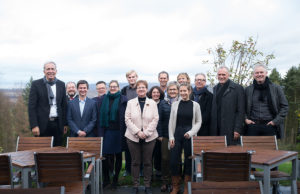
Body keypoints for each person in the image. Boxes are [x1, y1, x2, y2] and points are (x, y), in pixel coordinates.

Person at [125, 80, 159, 194]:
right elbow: (127, 119)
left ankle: (147, 185)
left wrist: (147, 132)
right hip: (132, 137)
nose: (141, 89)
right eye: (139, 87)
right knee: (135, 162)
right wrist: (138, 132)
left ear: (146, 89)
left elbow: (155, 119)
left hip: (149, 137)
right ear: (136, 90)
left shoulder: (152, 103)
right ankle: (135, 185)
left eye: (143, 87)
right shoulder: (130, 103)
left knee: (148, 162)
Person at [169, 83, 202, 194]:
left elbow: (198, 122)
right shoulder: (174, 104)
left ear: (189, 91)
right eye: (181, 91)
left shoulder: (195, 105)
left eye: (185, 91)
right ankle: (176, 187)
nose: (183, 93)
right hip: (177, 134)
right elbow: (171, 122)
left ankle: (187, 187)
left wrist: (191, 132)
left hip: (189, 136)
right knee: (174, 160)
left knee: (189, 161)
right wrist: (171, 136)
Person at [28, 61, 67, 146]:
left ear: (56, 71)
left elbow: (63, 106)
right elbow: (32, 107)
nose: (50, 71)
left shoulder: (61, 84)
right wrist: (34, 125)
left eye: (52, 69)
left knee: (57, 152)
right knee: (42, 153)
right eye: (48, 69)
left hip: (58, 124)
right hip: (42, 125)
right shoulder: (36, 84)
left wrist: (64, 124)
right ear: (44, 71)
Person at [97, 80, 127, 189]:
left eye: (115, 86)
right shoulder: (103, 99)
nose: (113, 88)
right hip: (107, 132)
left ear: (118, 87)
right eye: (111, 86)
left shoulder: (124, 100)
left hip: (119, 132)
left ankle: (115, 180)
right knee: (105, 156)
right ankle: (106, 179)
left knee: (118, 155)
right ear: (108, 88)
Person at [245, 64, 288, 138]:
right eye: (257, 73)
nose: (259, 74)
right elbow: (241, 107)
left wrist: (275, 121)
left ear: (266, 73)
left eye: (261, 72)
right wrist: (245, 119)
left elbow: (285, 106)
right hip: (252, 126)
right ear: (253, 75)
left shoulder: (276, 88)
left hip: (270, 126)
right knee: (251, 149)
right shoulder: (248, 90)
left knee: (270, 149)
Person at [210, 66, 245, 145]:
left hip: (230, 127)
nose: (221, 77)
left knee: (231, 152)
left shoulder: (237, 88)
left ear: (228, 75)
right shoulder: (215, 88)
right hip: (217, 127)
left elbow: (241, 111)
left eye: (223, 74)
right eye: (219, 75)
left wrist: (237, 129)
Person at [157, 81, 179, 192]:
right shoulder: (163, 103)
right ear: (167, 91)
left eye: (174, 89)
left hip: (178, 136)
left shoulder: (182, 102)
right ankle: (165, 181)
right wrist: (160, 134)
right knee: (165, 158)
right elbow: (159, 120)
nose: (172, 91)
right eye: (170, 90)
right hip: (165, 135)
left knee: (175, 159)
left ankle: (174, 182)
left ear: (178, 90)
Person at [121, 70, 138, 176]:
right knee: (128, 146)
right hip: (127, 121)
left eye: (133, 77)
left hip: (140, 120)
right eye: (129, 77)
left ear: (137, 77)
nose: (131, 79)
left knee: (140, 147)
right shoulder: (124, 90)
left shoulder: (141, 88)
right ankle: (128, 169)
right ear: (127, 79)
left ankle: (140, 169)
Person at [147, 86, 165, 179]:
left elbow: (162, 120)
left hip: (159, 134)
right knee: (149, 155)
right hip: (148, 133)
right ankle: (149, 175)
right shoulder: (147, 103)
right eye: (154, 92)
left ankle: (159, 172)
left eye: (158, 92)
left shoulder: (163, 103)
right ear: (151, 93)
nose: (156, 94)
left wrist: (160, 134)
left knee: (159, 154)